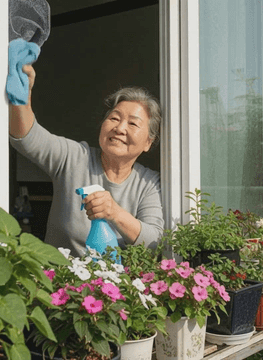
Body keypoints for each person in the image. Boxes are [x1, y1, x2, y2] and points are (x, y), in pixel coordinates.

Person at [9, 65, 164, 256]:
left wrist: (114, 212)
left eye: (132, 123)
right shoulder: (74, 157)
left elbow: (155, 243)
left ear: (148, 142)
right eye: (114, 118)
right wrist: (21, 95)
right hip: (61, 280)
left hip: (118, 285)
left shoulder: (149, 183)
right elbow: (26, 138)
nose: (120, 128)